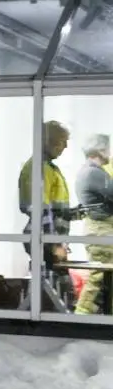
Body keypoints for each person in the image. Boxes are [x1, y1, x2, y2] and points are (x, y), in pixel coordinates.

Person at [17, 120, 76, 309]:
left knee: (58, 293)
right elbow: (41, 211)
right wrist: (53, 245)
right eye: (61, 142)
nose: (65, 147)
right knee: (53, 296)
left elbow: (54, 208)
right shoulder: (39, 168)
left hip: (50, 240)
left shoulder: (48, 167)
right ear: (49, 141)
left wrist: (72, 214)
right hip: (46, 241)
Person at [74, 134, 113, 315]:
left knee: (106, 278)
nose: (110, 153)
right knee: (98, 277)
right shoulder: (94, 172)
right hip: (101, 230)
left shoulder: (89, 171)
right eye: (108, 148)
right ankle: (80, 318)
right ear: (100, 150)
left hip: (99, 229)